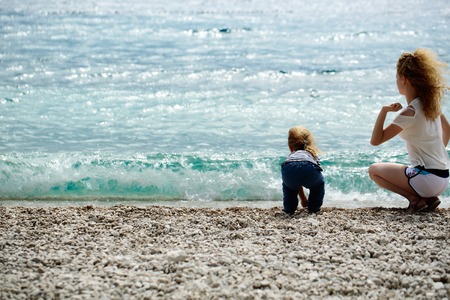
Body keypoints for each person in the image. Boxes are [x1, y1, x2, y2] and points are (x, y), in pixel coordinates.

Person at [369, 48, 450, 213]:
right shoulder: (430, 105)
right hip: (443, 178)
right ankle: (428, 198)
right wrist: (438, 152)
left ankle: (415, 199)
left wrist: (383, 112)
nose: (396, 81)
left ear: (404, 79)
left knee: (374, 171)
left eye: (397, 77)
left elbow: (376, 141)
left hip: (426, 180)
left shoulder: (410, 112)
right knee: (413, 169)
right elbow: (447, 129)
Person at [281, 126, 325, 214]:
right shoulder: (311, 154)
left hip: (287, 166)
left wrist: (303, 198)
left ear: (290, 145)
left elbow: (297, 180)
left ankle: (289, 209)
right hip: (308, 166)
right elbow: (317, 168)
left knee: (289, 187)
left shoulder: (292, 156)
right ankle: (314, 208)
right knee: (318, 185)